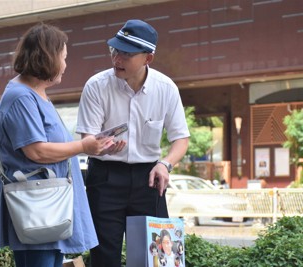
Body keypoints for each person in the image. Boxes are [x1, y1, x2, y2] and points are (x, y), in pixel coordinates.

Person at [0, 23, 114, 267]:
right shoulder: (21, 97)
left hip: (48, 203)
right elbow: (36, 151)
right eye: (64, 57)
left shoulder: (34, 94)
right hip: (38, 205)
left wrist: (95, 145)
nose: (66, 65)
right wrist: (84, 146)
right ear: (47, 58)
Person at [76, 19, 190, 267]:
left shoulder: (166, 88)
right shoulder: (96, 86)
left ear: (147, 59)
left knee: (159, 257)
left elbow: (181, 138)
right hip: (104, 178)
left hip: (149, 178)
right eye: (115, 50)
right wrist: (99, 145)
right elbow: (87, 139)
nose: (117, 59)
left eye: (126, 54)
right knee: (104, 256)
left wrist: (166, 164)